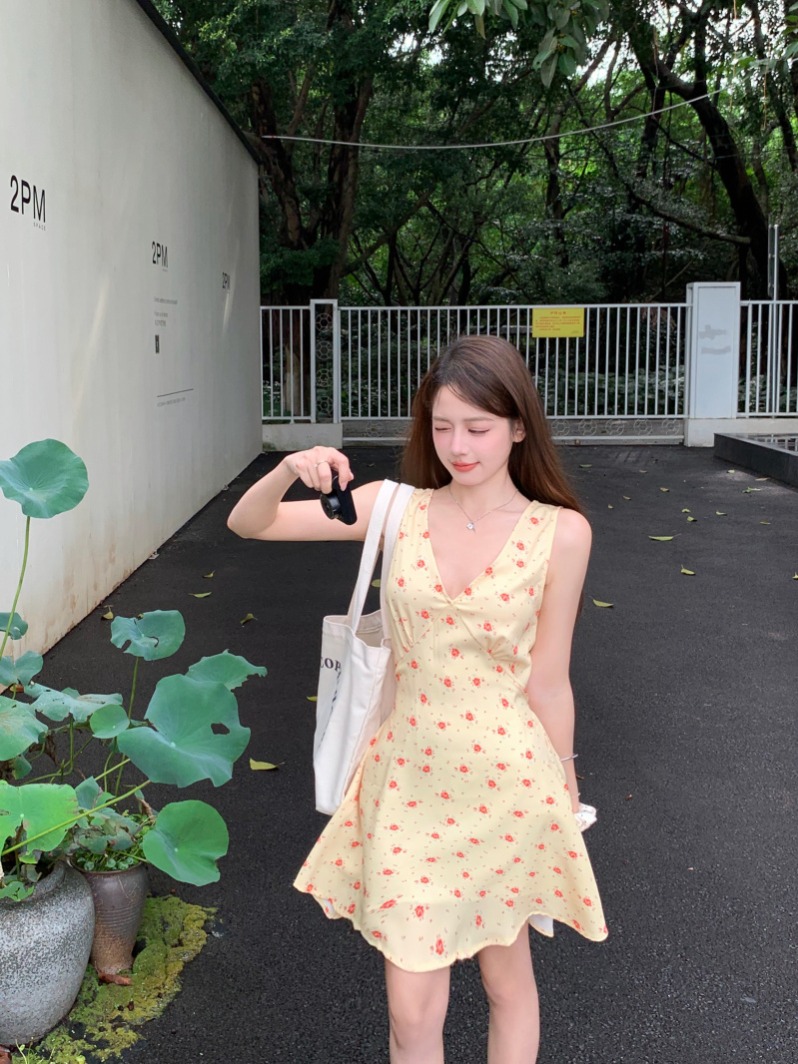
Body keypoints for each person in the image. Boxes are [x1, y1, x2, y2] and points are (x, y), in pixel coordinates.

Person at [227, 335, 607, 1064]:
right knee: (411, 1010)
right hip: (408, 781)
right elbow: (252, 523)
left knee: (507, 981)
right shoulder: (392, 508)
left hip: (510, 785)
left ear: (519, 426)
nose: (457, 446)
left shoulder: (562, 533)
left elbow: (550, 678)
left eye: (478, 427)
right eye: (442, 427)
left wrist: (565, 784)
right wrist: (286, 468)